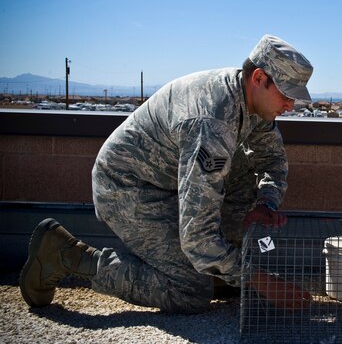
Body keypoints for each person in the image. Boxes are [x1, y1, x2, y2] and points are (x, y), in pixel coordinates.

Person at [20, 34, 313, 313]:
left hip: (170, 181)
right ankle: (66, 256)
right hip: (127, 187)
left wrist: (266, 204)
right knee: (190, 291)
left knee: (246, 183)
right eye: (286, 94)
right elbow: (197, 237)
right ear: (259, 78)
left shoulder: (253, 102)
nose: (291, 105)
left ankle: (222, 272)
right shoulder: (212, 121)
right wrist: (259, 280)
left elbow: (272, 159)